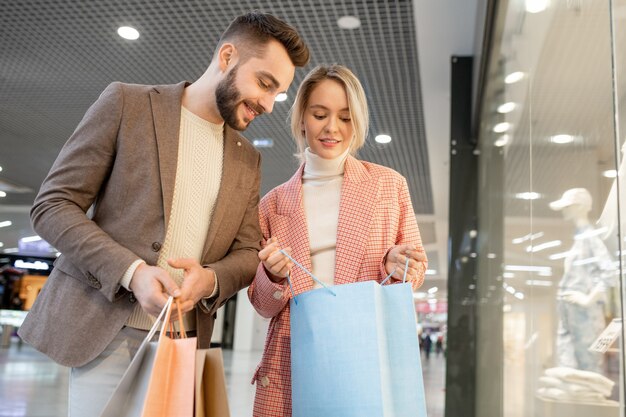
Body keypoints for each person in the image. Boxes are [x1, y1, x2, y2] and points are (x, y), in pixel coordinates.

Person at [17, 12, 309, 417]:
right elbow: (52, 205)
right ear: (227, 56)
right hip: (107, 330)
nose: (268, 103)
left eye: (278, 93)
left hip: (184, 341)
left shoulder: (248, 159)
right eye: (264, 83)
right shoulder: (127, 104)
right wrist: (133, 272)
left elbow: (246, 254)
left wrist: (209, 279)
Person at [247, 64, 428, 416]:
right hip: (291, 358)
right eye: (319, 114)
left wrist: (398, 264)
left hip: (365, 358)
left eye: (345, 117)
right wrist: (273, 276)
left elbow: (416, 269)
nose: (332, 128)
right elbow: (262, 305)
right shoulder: (272, 204)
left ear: (357, 122)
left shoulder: (388, 187)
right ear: (301, 119)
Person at [550, 188, 615, 374]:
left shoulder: (590, 238)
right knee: (568, 366)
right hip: (570, 311)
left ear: (579, 207)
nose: (564, 210)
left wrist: (588, 299)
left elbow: (610, 272)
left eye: (567, 206)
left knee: (589, 368)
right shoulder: (579, 239)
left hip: (585, 316)